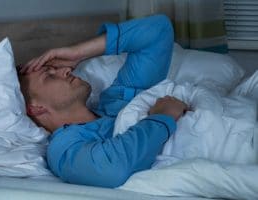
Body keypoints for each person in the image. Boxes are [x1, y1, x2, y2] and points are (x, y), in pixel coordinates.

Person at [19, 14, 188, 188]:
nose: (66, 70)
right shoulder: (64, 149)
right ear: (35, 108)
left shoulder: (116, 101)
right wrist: (162, 117)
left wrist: (78, 53)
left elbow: (158, 30)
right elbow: (112, 169)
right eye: (49, 75)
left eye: (57, 67)